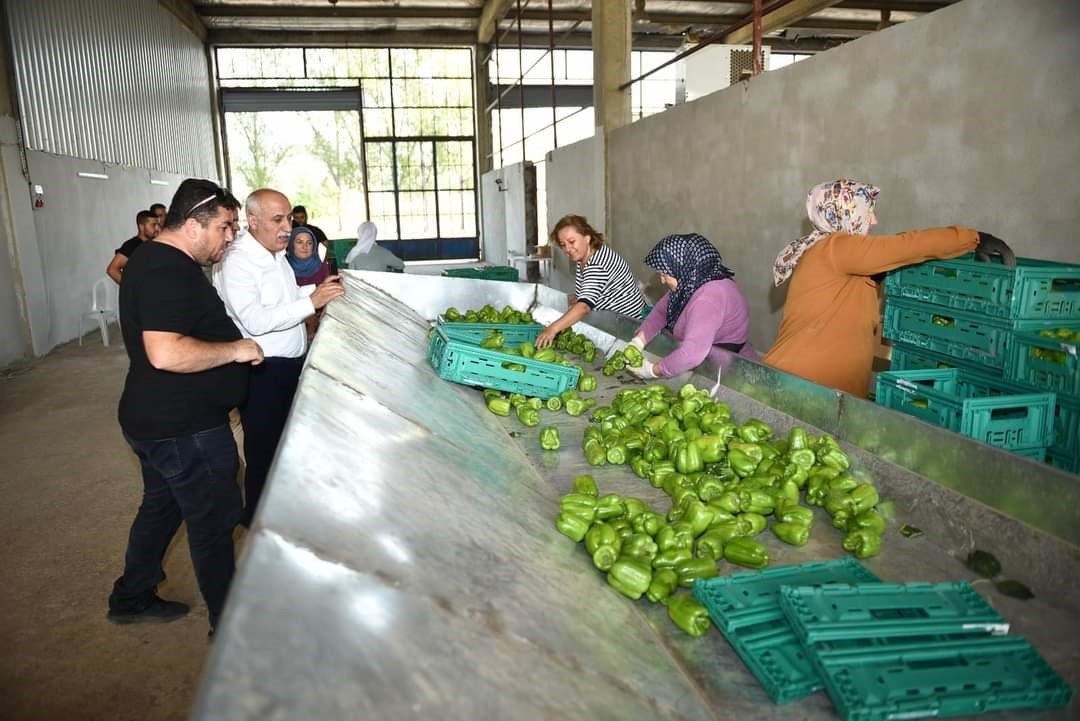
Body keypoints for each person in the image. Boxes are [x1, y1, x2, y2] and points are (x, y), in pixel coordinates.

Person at [108, 178, 263, 636]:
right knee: (213, 520)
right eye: (226, 227)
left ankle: (131, 596)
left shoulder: (159, 260)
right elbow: (166, 352)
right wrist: (236, 351)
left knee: (161, 508)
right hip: (183, 428)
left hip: (160, 420)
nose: (231, 237)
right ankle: (229, 626)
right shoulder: (164, 268)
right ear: (194, 223)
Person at [762, 178, 1015, 397]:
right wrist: (974, 238)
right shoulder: (836, 248)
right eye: (867, 211)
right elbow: (906, 246)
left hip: (810, 387)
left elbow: (891, 254)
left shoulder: (830, 253)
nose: (873, 220)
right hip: (802, 384)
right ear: (843, 212)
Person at [215, 189, 345, 527]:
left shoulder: (274, 254)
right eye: (278, 220)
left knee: (287, 444)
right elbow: (255, 319)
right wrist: (310, 302)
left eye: (289, 218)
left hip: (288, 365)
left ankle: (283, 513)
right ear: (253, 221)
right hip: (263, 372)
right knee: (264, 449)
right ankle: (258, 521)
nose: (287, 227)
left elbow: (284, 299)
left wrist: (319, 291)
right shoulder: (238, 262)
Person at [625, 233, 757, 379]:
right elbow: (661, 312)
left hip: (725, 368)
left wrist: (653, 370)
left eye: (665, 275)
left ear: (684, 269)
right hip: (706, 355)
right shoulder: (691, 282)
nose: (662, 281)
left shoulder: (708, 299)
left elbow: (692, 353)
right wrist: (638, 341)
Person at [535, 214, 647, 348]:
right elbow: (601, 288)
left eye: (572, 242)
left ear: (587, 238)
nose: (567, 249)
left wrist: (552, 329)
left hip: (628, 329)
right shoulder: (586, 256)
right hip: (616, 322)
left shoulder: (597, 264)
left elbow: (584, 307)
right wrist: (580, 296)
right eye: (563, 245)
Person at [106, 210, 160, 284]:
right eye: (153, 225)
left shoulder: (155, 243)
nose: (157, 228)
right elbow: (112, 270)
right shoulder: (132, 245)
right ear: (141, 226)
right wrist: (130, 289)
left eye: (158, 225)